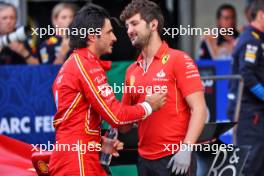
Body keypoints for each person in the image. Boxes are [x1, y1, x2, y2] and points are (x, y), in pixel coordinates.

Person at [49, 4, 166, 176]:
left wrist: (97, 142)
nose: (115, 38)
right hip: (77, 161)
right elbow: (116, 116)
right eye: (109, 32)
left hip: (77, 155)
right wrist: (148, 106)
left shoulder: (74, 63)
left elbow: (75, 120)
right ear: (92, 36)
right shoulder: (85, 65)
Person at [119, 0, 207, 175]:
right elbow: (124, 125)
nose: (129, 31)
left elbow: (199, 109)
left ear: (153, 24)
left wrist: (186, 148)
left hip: (175, 158)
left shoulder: (179, 59)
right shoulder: (131, 71)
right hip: (144, 160)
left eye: (135, 23)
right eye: (127, 26)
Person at [228, 0, 264, 175]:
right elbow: (246, 75)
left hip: (255, 111)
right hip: (248, 111)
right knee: (251, 161)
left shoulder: (257, 38)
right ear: (261, 15)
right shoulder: (251, 39)